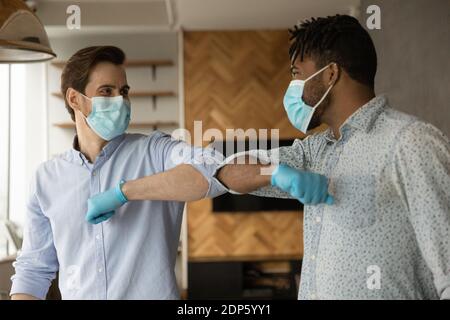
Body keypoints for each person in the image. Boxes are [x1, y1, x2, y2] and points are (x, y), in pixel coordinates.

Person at [90, 15, 450, 300]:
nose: (291, 88)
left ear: (332, 74)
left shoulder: (410, 144)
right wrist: (276, 171)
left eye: (297, 74)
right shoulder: (316, 150)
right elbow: (224, 171)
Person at [10, 46, 332, 300]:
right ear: (74, 99)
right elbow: (34, 269)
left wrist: (124, 192)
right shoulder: (46, 179)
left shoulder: (156, 150)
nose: (120, 100)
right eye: (106, 91)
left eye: (124, 91)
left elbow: (208, 169)